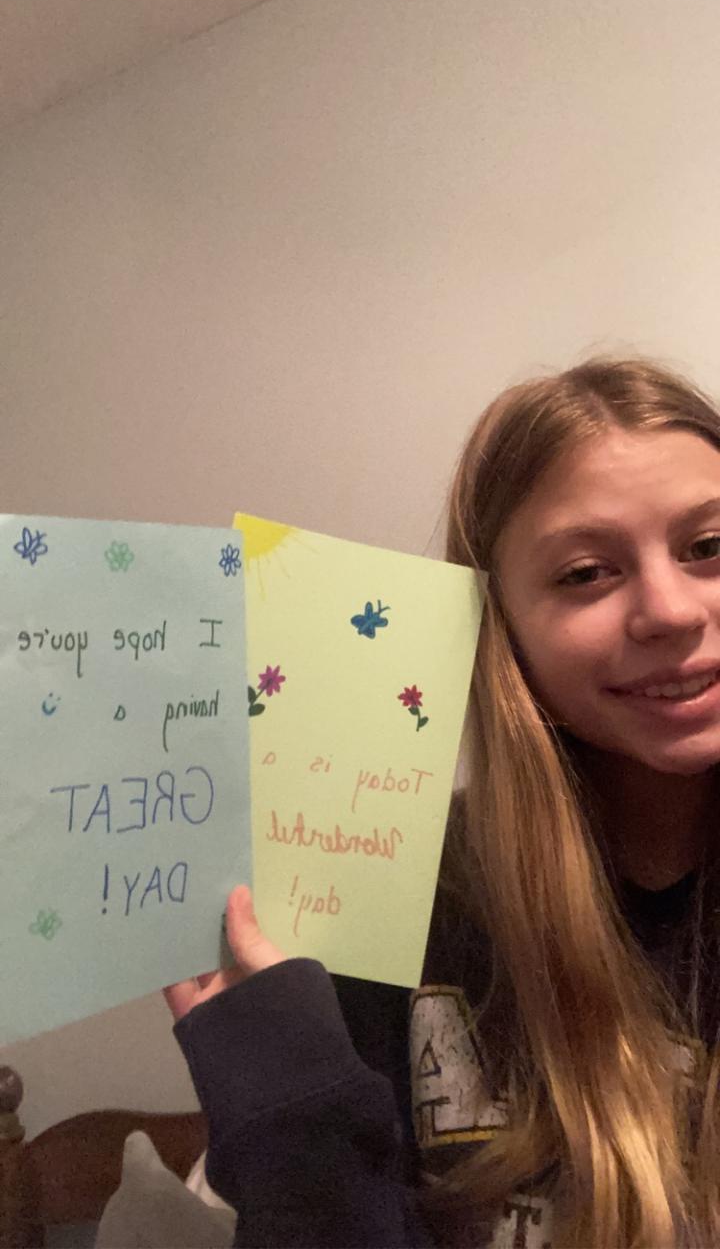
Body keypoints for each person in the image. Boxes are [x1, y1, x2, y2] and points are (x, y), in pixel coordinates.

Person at [165, 357, 720, 1249]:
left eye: (708, 547)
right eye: (586, 572)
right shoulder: (388, 901)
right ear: (501, 629)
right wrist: (291, 1123)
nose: (671, 610)